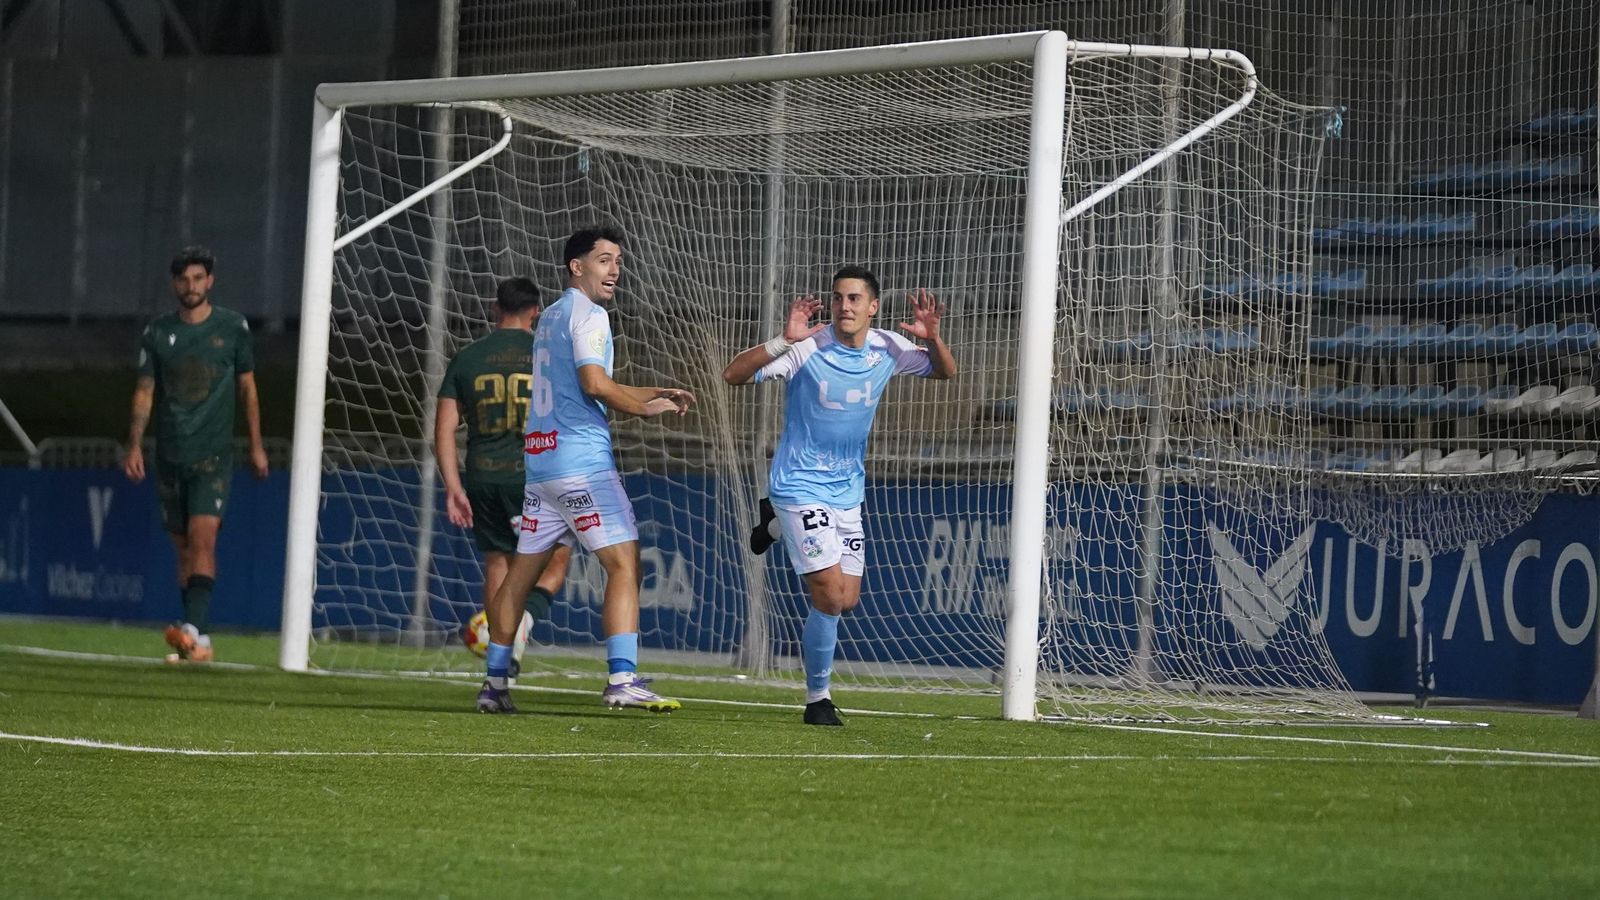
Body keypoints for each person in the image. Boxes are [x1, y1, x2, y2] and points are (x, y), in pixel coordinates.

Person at [475, 226, 696, 714]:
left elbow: (586, 387)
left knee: (517, 578)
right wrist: (642, 409)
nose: (615, 268)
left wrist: (653, 393)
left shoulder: (550, 316)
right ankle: (622, 677)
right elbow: (595, 385)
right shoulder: (591, 314)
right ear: (577, 267)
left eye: (618, 260)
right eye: (603, 259)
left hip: (542, 465)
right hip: (582, 465)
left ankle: (494, 683)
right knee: (623, 564)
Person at [722, 266, 956, 726]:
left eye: (854, 299)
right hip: (799, 485)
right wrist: (783, 340)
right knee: (828, 596)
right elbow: (732, 375)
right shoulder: (807, 347)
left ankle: (772, 526)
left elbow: (945, 372)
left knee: (847, 599)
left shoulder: (889, 346)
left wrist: (933, 338)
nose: (843, 307)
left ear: (873, 307)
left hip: (847, 491)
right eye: (837, 298)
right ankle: (817, 699)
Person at [123, 246, 269, 663]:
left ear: (210, 282)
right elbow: (145, 391)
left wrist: (257, 444)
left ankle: (191, 628)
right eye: (184, 280)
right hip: (170, 454)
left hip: (213, 458)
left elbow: (248, 389)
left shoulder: (232, 328)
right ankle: (199, 641)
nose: (191, 286)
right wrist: (134, 443)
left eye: (198, 278)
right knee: (183, 549)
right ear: (175, 284)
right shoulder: (157, 333)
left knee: (204, 539)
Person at [434, 276, 575, 671]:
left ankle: (497, 664)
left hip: (484, 475)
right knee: (557, 561)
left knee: (499, 563)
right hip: (538, 474)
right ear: (535, 313)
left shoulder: (468, 357)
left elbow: (443, 428)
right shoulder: (549, 354)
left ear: (496, 310)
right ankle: (522, 627)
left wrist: (452, 486)